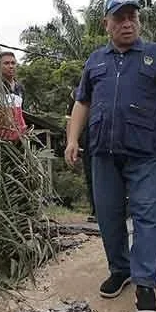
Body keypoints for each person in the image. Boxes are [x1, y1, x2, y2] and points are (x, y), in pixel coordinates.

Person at [65, 0, 156, 312]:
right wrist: (72, 139)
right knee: (108, 215)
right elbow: (82, 102)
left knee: (149, 215)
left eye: (132, 16)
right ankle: (120, 269)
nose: (127, 23)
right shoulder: (96, 60)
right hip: (102, 152)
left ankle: (146, 283)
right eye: (119, 17)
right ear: (106, 23)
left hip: (143, 152)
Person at [66, 90, 96, 221]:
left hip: (109, 135)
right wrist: (71, 141)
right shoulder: (77, 92)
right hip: (87, 138)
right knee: (90, 174)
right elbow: (70, 120)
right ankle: (95, 210)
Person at [0, 51, 27, 141]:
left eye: (13, 63)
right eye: (6, 63)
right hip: (0, 140)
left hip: (19, 140)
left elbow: (21, 114)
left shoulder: (20, 88)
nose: (11, 66)